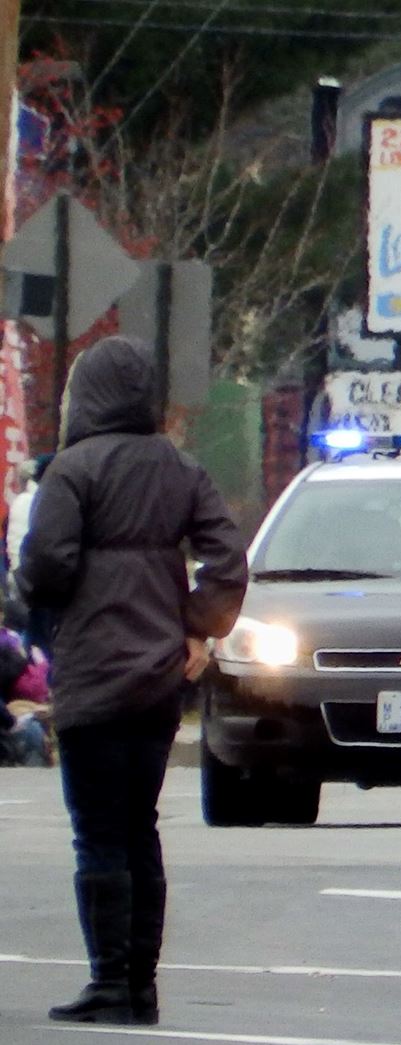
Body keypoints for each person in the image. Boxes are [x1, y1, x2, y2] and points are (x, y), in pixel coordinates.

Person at [17, 335, 248, 1026]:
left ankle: (108, 979)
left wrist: (34, 588)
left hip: (93, 668)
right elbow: (227, 556)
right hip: (156, 674)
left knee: (97, 832)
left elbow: (49, 565)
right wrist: (199, 624)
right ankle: (141, 984)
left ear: (86, 395)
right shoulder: (181, 470)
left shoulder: (72, 471)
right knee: (140, 826)